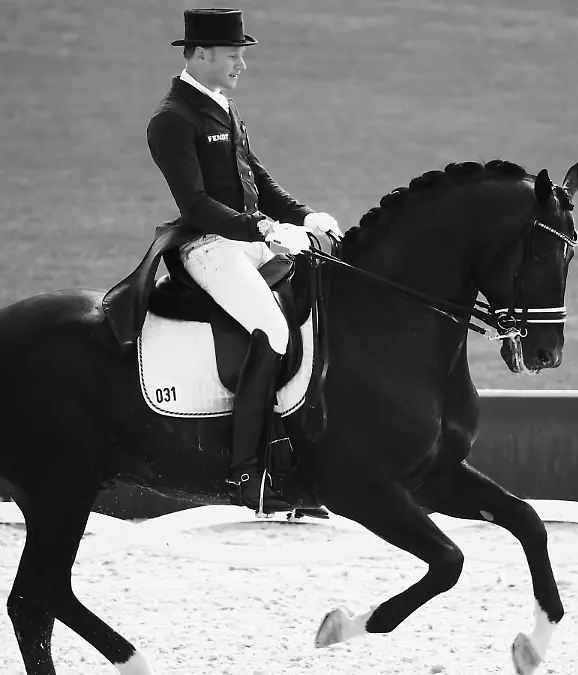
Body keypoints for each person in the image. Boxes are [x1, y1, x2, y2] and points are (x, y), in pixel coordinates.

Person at [146, 8, 341, 514]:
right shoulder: (172, 119)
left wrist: (306, 216)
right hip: (208, 247)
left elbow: (259, 181)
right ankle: (247, 473)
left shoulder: (223, 107)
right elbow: (195, 204)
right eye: (233, 55)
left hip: (250, 240)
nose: (241, 65)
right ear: (202, 53)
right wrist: (268, 231)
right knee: (273, 332)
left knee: (319, 297)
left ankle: (296, 456)